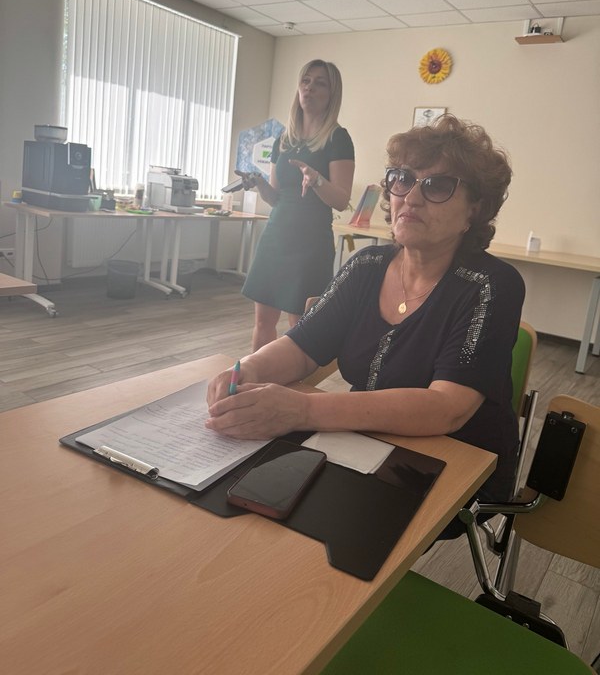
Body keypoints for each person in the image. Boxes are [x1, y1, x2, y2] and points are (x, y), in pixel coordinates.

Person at [208, 115, 525, 536]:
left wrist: (302, 410)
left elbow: (446, 408)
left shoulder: (490, 285)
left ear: (475, 209)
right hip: (359, 441)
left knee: (308, 532)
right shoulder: (367, 266)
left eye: (437, 186)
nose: (411, 197)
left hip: (455, 463)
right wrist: (245, 370)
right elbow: (301, 347)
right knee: (246, 509)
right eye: (402, 179)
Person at [238, 59, 355, 351]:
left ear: (332, 94)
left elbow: (341, 200)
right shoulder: (284, 139)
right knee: (263, 322)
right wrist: (259, 183)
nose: (310, 88)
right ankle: (258, 376)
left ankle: (289, 382)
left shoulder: (338, 138)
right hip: (276, 236)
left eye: (320, 83)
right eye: (306, 81)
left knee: (300, 329)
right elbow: (275, 197)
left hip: (310, 242)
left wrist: (316, 180)